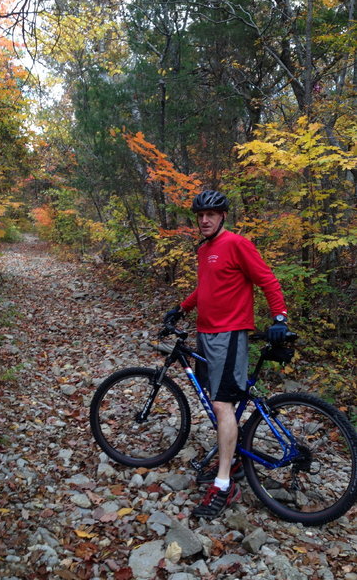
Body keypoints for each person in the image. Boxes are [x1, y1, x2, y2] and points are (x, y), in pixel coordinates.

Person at [164, 189, 289, 520]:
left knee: (221, 404)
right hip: (206, 333)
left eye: (211, 215)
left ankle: (223, 484)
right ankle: (230, 457)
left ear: (222, 217)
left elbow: (267, 280)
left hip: (230, 335)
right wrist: (182, 308)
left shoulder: (236, 243)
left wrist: (279, 317)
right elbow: (205, 287)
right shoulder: (205, 250)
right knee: (220, 401)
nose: (204, 220)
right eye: (200, 216)